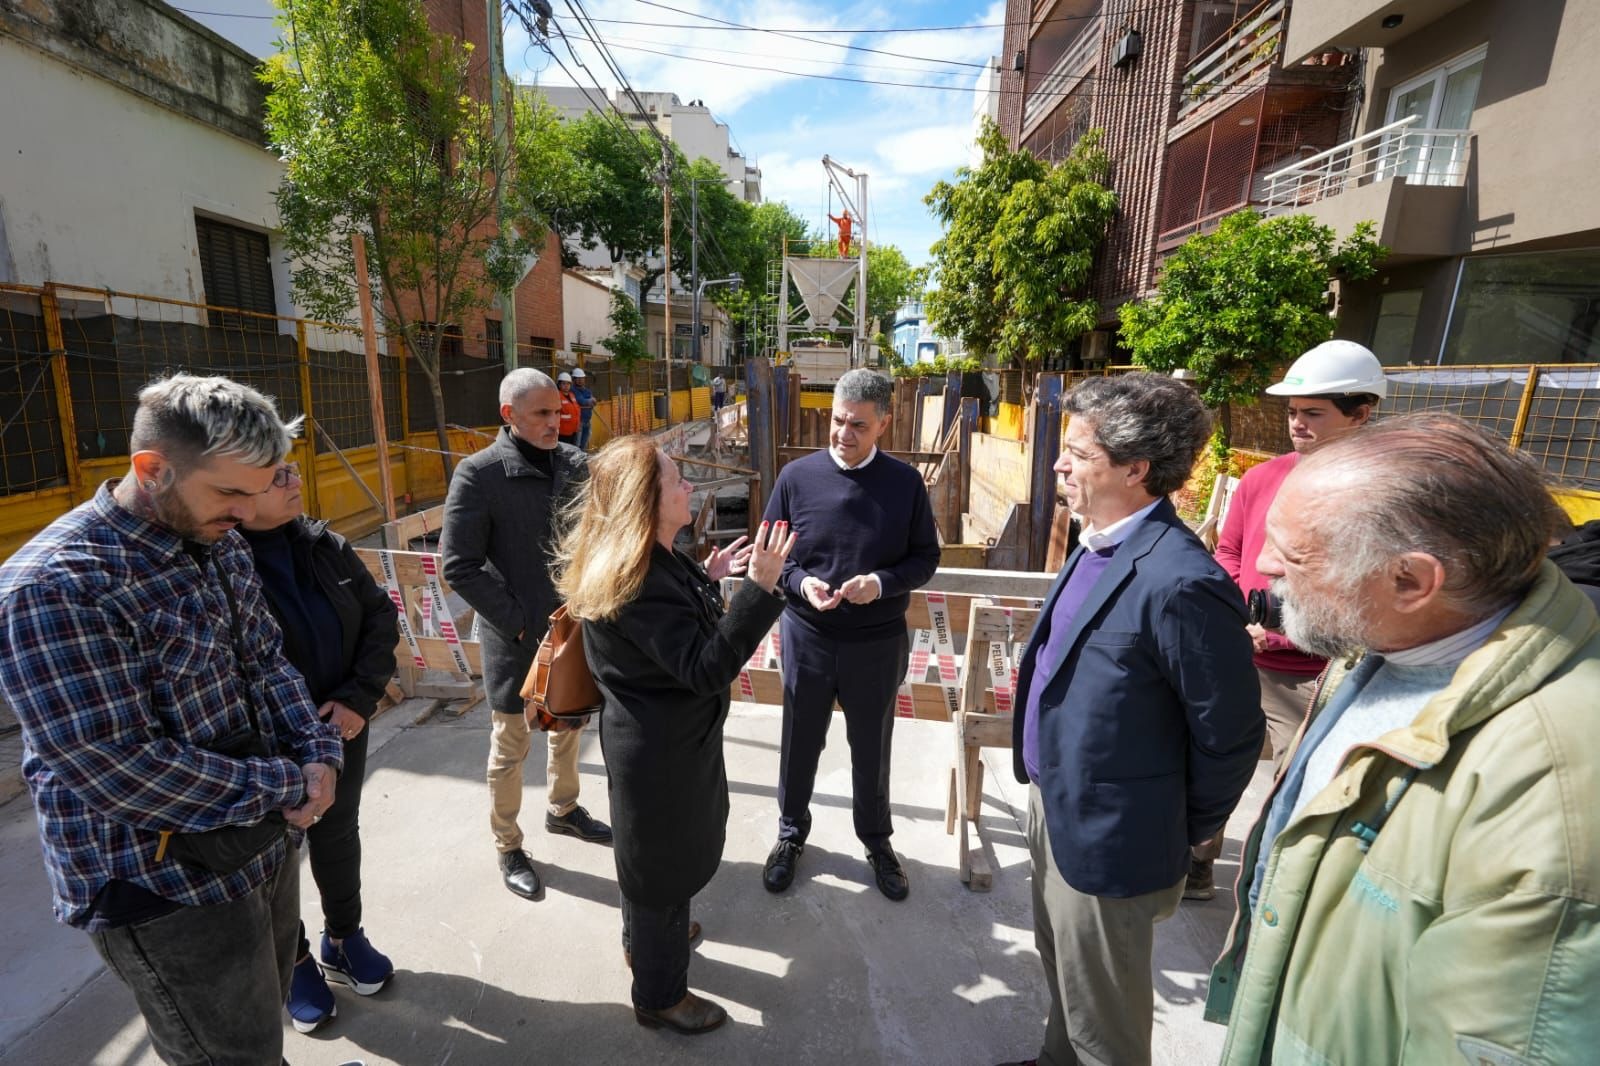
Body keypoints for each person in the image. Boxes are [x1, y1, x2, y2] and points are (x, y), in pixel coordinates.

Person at [1210, 413, 1600, 1065]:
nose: (1265, 566)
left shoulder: (1552, 788)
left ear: (1413, 581)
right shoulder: (1382, 639)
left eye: (1295, 553)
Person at [0, 374, 343, 1065]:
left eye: (263, 486)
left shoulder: (220, 541)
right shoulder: (56, 587)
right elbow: (117, 767)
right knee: (225, 1054)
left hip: (258, 844)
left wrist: (318, 753)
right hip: (161, 885)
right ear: (152, 470)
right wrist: (288, 783)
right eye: (230, 493)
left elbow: (265, 662)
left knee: (259, 1025)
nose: (249, 512)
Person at [999, 374, 1262, 1066]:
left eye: (1078, 453)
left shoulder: (1181, 582)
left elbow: (1231, 736)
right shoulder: (1097, 541)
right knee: (1065, 976)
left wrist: (1174, 827)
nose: (1058, 463)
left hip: (1113, 834)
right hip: (1054, 803)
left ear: (1136, 470)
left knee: (1105, 1022)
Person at [558, 437, 794, 1035]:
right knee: (661, 868)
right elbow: (705, 666)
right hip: (660, 754)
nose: (689, 487)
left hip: (666, 744)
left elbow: (675, 641)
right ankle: (660, 996)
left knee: (655, 862)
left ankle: (647, 940)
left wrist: (708, 579)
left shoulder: (652, 557)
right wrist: (758, 591)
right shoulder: (638, 577)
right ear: (646, 499)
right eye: (676, 480)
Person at [1191, 339, 1385, 900]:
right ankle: (1200, 863)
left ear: (1362, 412)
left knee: (1299, 786)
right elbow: (1229, 554)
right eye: (1293, 412)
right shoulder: (1260, 479)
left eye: (1313, 413)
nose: (1297, 424)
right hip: (1241, 655)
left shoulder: (1378, 493)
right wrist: (1238, 614)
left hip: (1316, 672)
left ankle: (1274, 890)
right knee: (1214, 765)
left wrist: (1281, 627)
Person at [759, 368, 941, 902]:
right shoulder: (796, 477)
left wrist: (881, 584)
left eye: (858, 425)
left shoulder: (905, 484)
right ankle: (791, 834)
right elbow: (771, 555)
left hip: (877, 642)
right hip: (808, 634)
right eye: (838, 420)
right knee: (800, 741)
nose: (843, 433)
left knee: (871, 744)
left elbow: (925, 558)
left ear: (884, 422)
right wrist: (801, 582)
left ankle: (877, 840)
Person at [240, 457, 400, 1033]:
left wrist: (359, 698)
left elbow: (382, 616)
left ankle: (343, 937)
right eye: (277, 476)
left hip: (342, 727)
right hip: (268, 746)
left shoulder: (322, 543)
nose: (294, 481)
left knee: (337, 833)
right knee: (276, 854)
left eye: (291, 469)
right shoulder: (222, 563)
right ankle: (296, 960)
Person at [443, 368, 611, 904]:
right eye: (539, 413)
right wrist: (517, 621)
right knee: (511, 744)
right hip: (515, 636)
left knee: (568, 727)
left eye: (557, 411)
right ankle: (508, 843)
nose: (555, 421)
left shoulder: (577, 466)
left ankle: (563, 809)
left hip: (573, 627)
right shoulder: (479, 475)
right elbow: (460, 565)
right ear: (508, 415)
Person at [571, 367, 597, 451]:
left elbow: (592, 402)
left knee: (584, 445)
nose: (580, 380)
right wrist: (589, 401)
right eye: (578, 378)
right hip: (578, 423)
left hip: (587, 421)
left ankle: (582, 462)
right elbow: (580, 400)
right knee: (577, 445)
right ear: (573, 379)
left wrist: (591, 402)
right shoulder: (572, 390)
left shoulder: (587, 391)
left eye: (582, 378)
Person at [557, 371, 582, 447]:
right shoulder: (557, 396)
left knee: (572, 451)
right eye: (563, 383)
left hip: (574, 430)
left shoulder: (572, 395)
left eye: (568, 383)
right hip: (563, 432)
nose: (566, 386)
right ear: (559, 385)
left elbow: (576, 410)